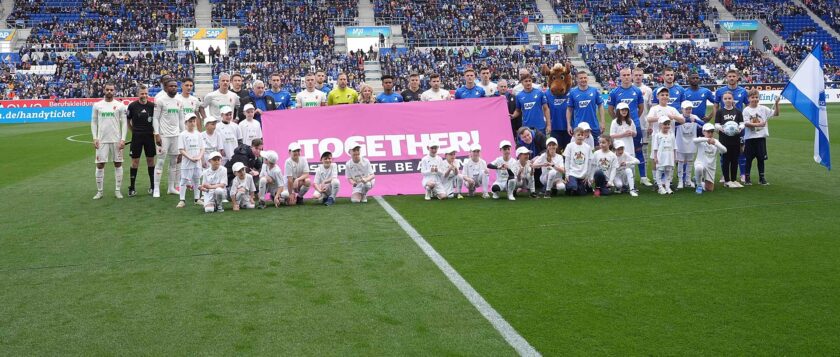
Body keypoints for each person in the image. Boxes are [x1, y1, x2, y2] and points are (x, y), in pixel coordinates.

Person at [608, 68, 646, 184]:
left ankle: (643, 178)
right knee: (619, 152)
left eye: (628, 75)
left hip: (635, 126)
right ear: (620, 77)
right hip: (621, 129)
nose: (626, 77)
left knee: (638, 151)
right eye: (623, 75)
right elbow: (610, 109)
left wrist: (632, 120)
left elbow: (641, 108)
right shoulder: (614, 92)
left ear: (631, 76)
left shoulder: (637, 91)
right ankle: (619, 178)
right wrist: (619, 120)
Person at [91, 82, 128, 200]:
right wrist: (95, 137)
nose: (109, 92)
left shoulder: (120, 105)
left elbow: (124, 123)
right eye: (107, 89)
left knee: (118, 164)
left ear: (115, 91)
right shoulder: (97, 105)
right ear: (104, 90)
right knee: (100, 165)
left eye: (111, 90)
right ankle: (100, 191)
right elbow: (94, 122)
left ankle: (117, 190)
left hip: (116, 140)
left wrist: (123, 139)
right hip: (102, 140)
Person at [152, 78, 184, 198]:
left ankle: (171, 188)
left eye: (176, 86)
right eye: (171, 86)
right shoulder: (160, 101)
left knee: (174, 162)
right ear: (165, 88)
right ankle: (156, 188)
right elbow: (155, 118)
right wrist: (157, 134)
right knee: (160, 161)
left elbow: (181, 119)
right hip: (164, 136)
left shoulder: (179, 101)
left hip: (176, 136)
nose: (174, 88)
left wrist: (183, 134)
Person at [742, 90, 780, 185]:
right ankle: (747, 178)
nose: (755, 99)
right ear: (748, 99)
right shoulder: (746, 110)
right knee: (749, 159)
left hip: (760, 138)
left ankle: (761, 178)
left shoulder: (763, 108)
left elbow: (776, 114)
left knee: (761, 159)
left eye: (756, 97)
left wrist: (776, 104)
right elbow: (746, 123)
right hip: (750, 138)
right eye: (752, 97)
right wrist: (759, 124)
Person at [126, 85, 156, 197]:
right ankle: (132, 187)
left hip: (149, 136)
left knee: (151, 161)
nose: (144, 95)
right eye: (142, 93)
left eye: (145, 93)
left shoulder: (152, 106)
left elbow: (156, 121)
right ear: (138, 94)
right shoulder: (132, 106)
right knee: (135, 162)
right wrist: (133, 131)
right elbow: (128, 121)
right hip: (136, 137)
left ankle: (153, 187)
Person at [714, 92, 745, 188]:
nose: (728, 100)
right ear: (723, 100)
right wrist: (721, 128)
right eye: (726, 98)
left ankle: (734, 180)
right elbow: (716, 124)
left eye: (729, 98)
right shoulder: (720, 111)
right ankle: (727, 181)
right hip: (724, 139)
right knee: (726, 160)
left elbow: (742, 123)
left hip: (735, 139)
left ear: (733, 99)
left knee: (735, 160)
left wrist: (740, 127)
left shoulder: (738, 111)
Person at [566, 72, 605, 143]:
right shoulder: (572, 93)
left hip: (593, 126)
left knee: (596, 148)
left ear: (587, 78)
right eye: (581, 78)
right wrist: (568, 125)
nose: (583, 80)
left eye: (585, 78)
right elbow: (569, 109)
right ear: (577, 79)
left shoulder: (594, 91)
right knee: (579, 148)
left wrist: (602, 122)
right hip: (579, 127)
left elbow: (600, 105)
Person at [176, 113, 204, 208]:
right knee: (184, 180)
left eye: (194, 121)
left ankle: (197, 199)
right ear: (186, 123)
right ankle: (182, 200)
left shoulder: (199, 134)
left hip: (197, 162)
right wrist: (190, 158)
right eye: (190, 121)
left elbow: (202, 148)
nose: (192, 123)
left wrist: (199, 157)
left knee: (197, 180)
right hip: (187, 162)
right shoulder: (182, 135)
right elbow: (181, 149)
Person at [675, 101, 705, 189]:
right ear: (682, 109)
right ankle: (680, 181)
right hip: (680, 143)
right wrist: (683, 121)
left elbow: (704, 125)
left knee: (689, 163)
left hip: (691, 143)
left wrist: (695, 121)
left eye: (690, 109)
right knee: (680, 162)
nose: (688, 111)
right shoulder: (679, 117)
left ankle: (688, 180)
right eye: (686, 109)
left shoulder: (694, 117)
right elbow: (672, 125)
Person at [633, 66, 654, 185]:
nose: (638, 77)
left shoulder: (648, 90)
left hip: (644, 125)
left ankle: (644, 177)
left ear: (643, 76)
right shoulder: (628, 89)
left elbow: (651, 108)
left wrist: (650, 124)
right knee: (630, 151)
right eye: (636, 75)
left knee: (644, 151)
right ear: (632, 76)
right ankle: (631, 177)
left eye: (640, 75)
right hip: (630, 126)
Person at [693, 123, 728, 194]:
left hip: (711, 167)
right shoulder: (701, 140)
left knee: (709, 189)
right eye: (708, 132)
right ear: (703, 132)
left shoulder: (716, 141)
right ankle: (699, 185)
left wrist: (715, 143)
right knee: (699, 168)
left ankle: (696, 179)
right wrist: (707, 139)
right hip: (700, 163)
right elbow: (694, 140)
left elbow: (724, 150)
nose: (710, 133)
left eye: (712, 132)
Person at [563, 127, 592, 196]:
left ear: (584, 136)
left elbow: (589, 162)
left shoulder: (588, 147)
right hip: (572, 173)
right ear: (574, 135)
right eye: (578, 135)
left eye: (582, 135)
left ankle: (580, 187)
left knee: (582, 193)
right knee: (573, 187)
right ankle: (569, 187)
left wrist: (587, 175)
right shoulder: (569, 146)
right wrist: (567, 174)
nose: (580, 136)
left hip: (582, 174)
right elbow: (567, 161)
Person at [652, 117, 676, 195]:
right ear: (660, 125)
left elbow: (674, 147)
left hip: (669, 156)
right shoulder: (657, 135)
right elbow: (655, 148)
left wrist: (675, 157)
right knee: (659, 171)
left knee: (668, 172)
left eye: (668, 124)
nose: (667, 126)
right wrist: (655, 157)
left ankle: (667, 187)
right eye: (665, 124)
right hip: (661, 157)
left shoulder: (672, 135)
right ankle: (660, 188)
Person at [545, 80, 570, 151]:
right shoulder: (547, 93)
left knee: (568, 151)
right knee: (555, 151)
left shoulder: (571, 92)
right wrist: (548, 124)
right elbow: (545, 109)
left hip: (569, 128)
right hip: (555, 127)